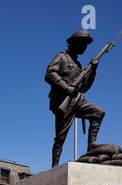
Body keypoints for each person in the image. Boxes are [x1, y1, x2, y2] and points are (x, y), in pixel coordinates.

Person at [45, 30, 105, 167]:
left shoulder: (79, 66)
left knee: (98, 112)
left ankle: (92, 145)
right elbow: (49, 74)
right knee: (60, 138)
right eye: (82, 44)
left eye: (85, 46)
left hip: (77, 100)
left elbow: (84, 88)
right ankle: (55, 166)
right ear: (74, 43)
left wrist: (93, 70)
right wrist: (66, 87)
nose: (84, 48)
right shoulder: (61, 57)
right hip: (62, 101)